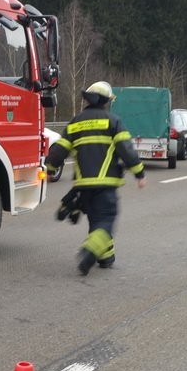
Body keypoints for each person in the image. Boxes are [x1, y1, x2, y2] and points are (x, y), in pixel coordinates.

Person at [45, 81, 146, 275]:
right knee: (106, 219)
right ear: (106, 101)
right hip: (106, 184)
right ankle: (89, 252)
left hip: (83, 186)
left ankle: (106, 257)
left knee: (96, 221)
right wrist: (139, 173)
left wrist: (49, 169)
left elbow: (59, 149)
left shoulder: (75, 122)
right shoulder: (113, 121)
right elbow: (126, 150)